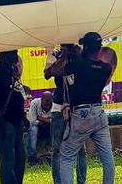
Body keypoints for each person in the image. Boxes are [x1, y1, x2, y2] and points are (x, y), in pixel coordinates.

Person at [52, 33, 115, 184]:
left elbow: (55, 71)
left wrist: (66, 54)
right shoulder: (105, 68)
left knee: (66, 157)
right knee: (107, 159)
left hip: (81, 114)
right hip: (99, 114)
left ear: (85, 48)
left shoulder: (77, 65)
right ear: (99, 49)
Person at [44, 45, 87, 184]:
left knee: (81, 149)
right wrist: (62, 57)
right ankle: (58, 181)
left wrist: (74, 54)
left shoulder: (79, 54)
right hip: (58, 107)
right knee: (56, 149)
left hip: (77, 106)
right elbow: (47, 74)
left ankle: (81, 181)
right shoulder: (55, 55)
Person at [0, 50, 26, 184]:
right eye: (13, 54)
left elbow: (18, 93)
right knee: (8, 159)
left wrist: (24, 116)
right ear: (3, 55)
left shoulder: (13, 71)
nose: (16, 56)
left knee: (21, 156)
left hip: (17, 120)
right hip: (4, 121)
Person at [26, 91, 52, 165]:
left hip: (49, 126)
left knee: (56, 128)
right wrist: (47, 120)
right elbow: (32, 121)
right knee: (33, 129)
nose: (47, 106)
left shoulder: (54, 105)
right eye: (45, 104)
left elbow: (55, 121)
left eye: (49, 104)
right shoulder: (35, 103)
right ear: (41, 100)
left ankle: (53, 154)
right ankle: (32, 157)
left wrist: (41, 118)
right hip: (37, 126)